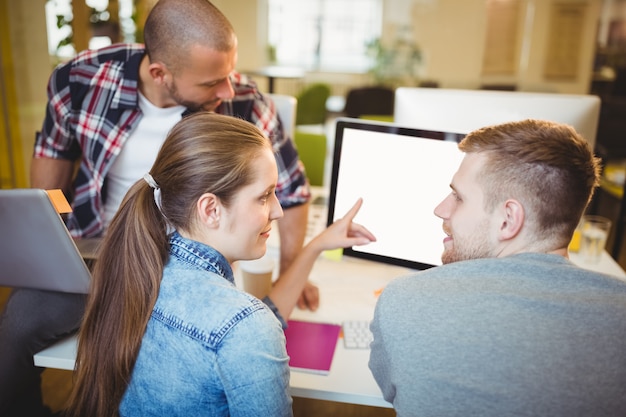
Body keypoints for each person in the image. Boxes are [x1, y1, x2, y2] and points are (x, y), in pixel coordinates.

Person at [0, 1, 317, 415]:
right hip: (100, 250)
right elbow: (52, 159)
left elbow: (292, 190)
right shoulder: (79, 80)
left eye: (229, 74)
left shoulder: (246, 101)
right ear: (159, 73)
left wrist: (296, 262)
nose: (228, 90)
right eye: (212, 82)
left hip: (192, 260)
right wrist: (47, 257)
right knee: (19, 322)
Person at [66, 112, 374, 417]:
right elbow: (249, 330)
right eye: (264, 196)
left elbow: (254, 326)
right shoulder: (244, 326)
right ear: (211, 209)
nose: (278, 211)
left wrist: (315, 246)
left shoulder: (140, 269)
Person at [369, 119, 626, 417]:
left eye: (458, 197)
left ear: (508, 220)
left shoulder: (404, 301)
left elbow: (391, 391)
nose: (441, 209)